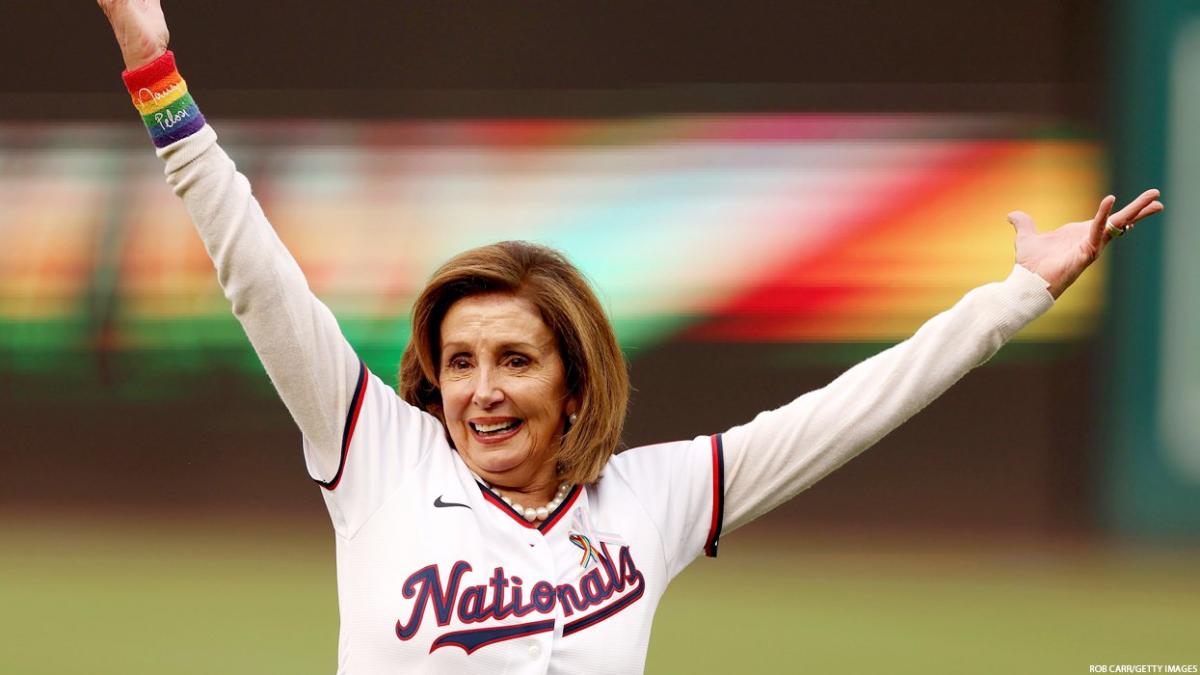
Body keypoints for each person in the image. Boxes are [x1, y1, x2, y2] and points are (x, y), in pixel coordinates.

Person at [98, 1, 1164, 673]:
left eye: (516, 359)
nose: (480, 391)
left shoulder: (647, 501)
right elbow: (258, 278)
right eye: (460, 362)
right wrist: (157, 72)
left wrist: (1013, 297)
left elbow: (848, 411)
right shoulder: (378, 454)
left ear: (575, 380)